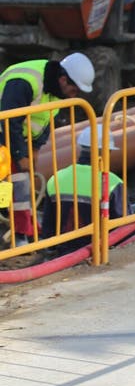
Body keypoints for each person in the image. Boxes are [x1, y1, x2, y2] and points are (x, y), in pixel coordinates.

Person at [0, 53, 95, 246]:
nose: (73, 95)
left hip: (13, 137)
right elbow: (9, 120)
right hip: (4, 133)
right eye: (73, 89)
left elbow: (44, 122)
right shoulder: (25, 82)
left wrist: (35, 148)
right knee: (11, 181)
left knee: (16, 185)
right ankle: (15, 231)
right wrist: (20, 156)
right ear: (62, 79)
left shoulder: (56, 92)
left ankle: (17, 231)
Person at [41, 124, 127, 255]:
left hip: (63, 253)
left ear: (81, 149)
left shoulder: (56, 178)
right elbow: (125, 226)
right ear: (106, 152)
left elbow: (48, 226)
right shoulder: (112, 182)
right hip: (100, 252)